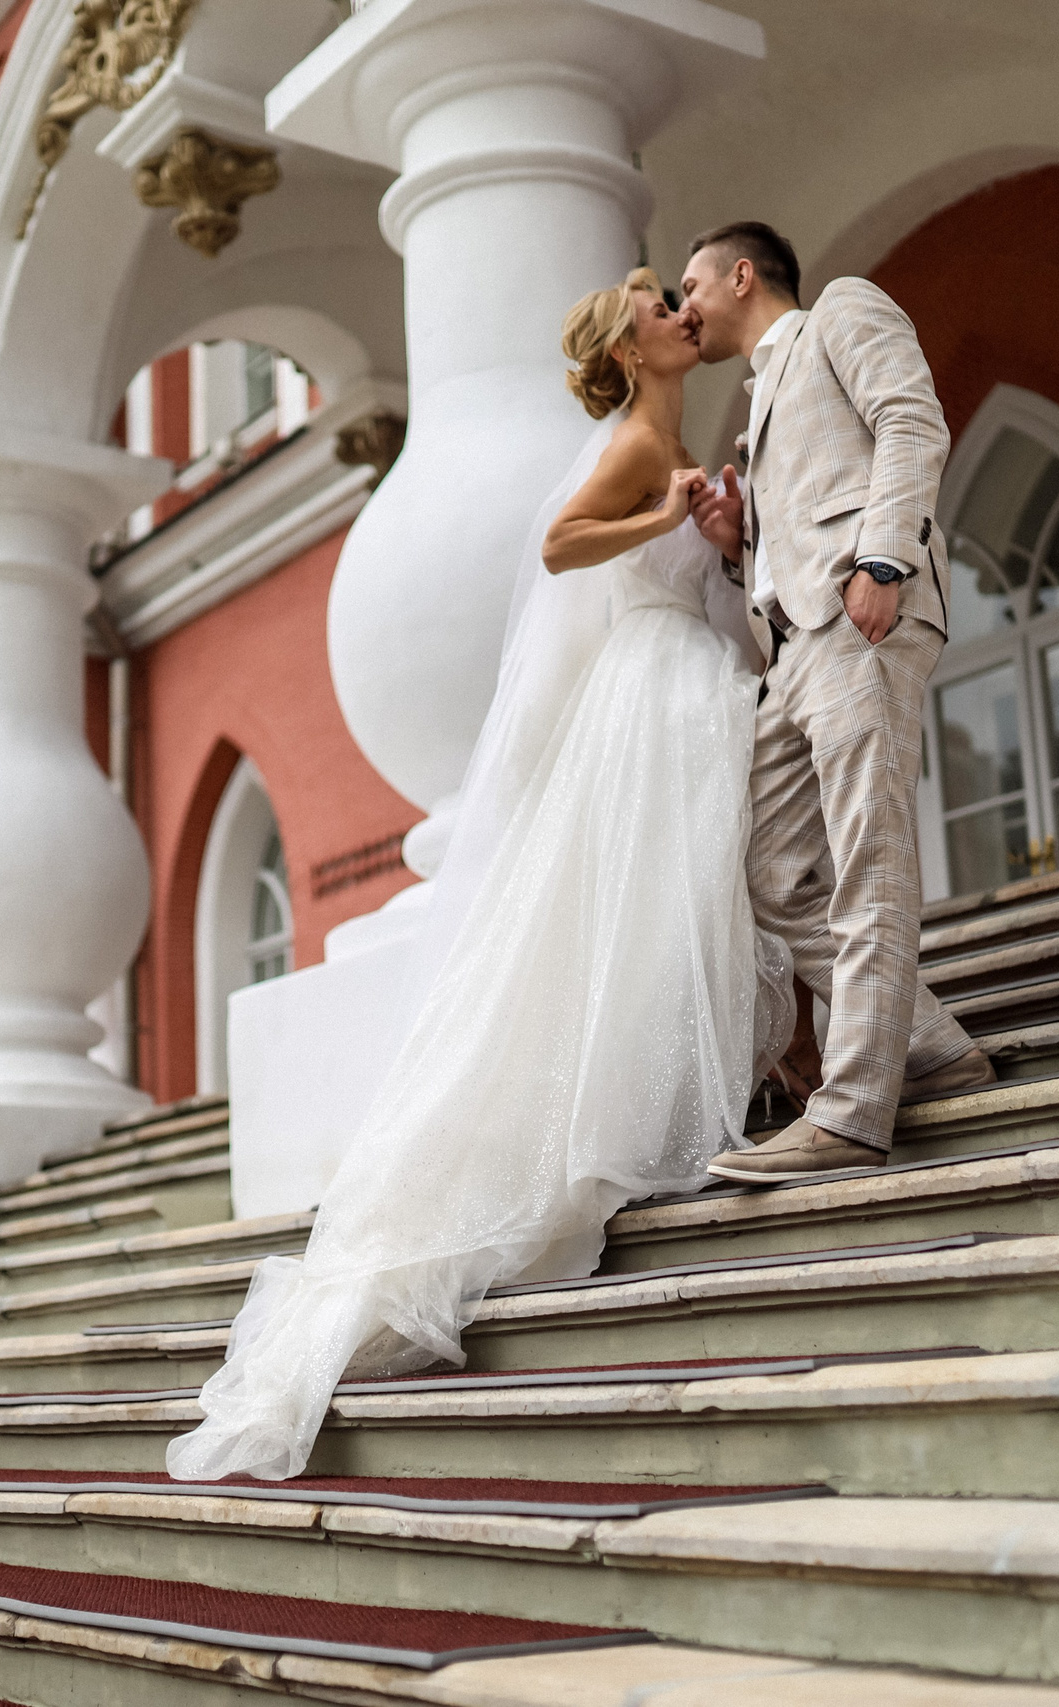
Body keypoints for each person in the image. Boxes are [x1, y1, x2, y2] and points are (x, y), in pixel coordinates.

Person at [165, 269, 790, 1482]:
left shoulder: (669, 441)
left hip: (677, 679)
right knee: (648, 907)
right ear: (630, 346)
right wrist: (664, 520)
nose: (678, 309)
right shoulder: (634, 444)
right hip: (646, 688)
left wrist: (711, 536)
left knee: (669, 909)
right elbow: (559, 547)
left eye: (677, 297)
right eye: (657, 304)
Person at [678, 221, 994, 1185]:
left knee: (868, 852)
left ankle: (854, 1110)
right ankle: (931, 1045)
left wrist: (884, 560)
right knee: (768, 871)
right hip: (792, 648)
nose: (685, 308)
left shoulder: (841, 312)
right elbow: (796, 524)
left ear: (742, 275)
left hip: (861, 618)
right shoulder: (757, 393)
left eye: (692, 286)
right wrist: (737, 542)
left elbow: (911, 420)